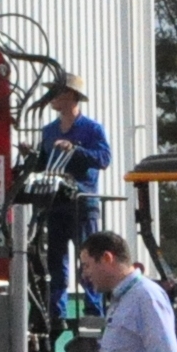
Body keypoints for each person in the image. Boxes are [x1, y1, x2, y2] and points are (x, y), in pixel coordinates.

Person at [34, 75, 110, 297]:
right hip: (56, 204)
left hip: (83, 204)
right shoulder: (48, 131)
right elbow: (42, 164)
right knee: (55, 261)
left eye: (55, 93)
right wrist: (30, 156)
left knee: (89, 260)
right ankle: (57, 316)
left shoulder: (92, 129)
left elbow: (104, 158)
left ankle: (93, 311)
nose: (51, 98)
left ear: (70, 96)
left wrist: (75, 150)